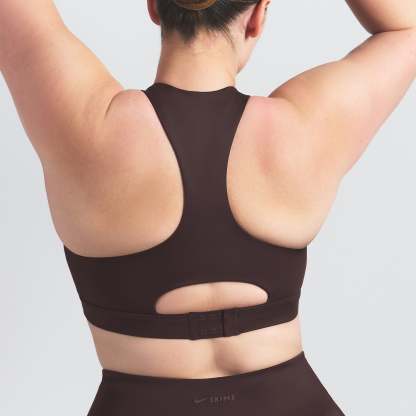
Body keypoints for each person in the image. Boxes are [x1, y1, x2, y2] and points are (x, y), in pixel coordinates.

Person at [1, 0, 415, 414]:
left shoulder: (91, 127)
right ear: (257, 16)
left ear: (154, 7)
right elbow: (407, 28)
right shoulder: (301, 129)